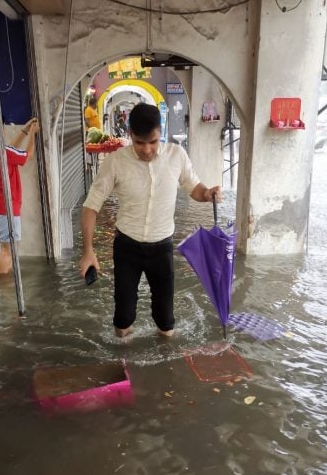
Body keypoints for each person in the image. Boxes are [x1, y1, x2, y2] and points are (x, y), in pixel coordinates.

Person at [79, 103, 221, 338]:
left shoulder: (177, 155)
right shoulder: (115, 162)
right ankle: (123, 362)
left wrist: (207, 194)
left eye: (153, 142)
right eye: (139, 142)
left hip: (162, 247)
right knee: (123, 318)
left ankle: (164, 370)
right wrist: (88, 251)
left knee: (166, 322)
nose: (146, 149)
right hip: (127, 247)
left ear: (161, 133)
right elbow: (91, 206)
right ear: (130, 135)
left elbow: (193, 186)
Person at [0, 110, 39, 275]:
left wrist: (25, 130)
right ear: (0, 127)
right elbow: (28, 155)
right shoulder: (3, 152)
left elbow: (10, 148)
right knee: (8, 251)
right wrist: (33, 134)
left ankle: (6, 282)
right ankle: (4, 291)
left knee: (4, 248)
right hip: (5, 208)